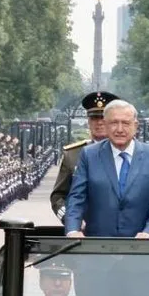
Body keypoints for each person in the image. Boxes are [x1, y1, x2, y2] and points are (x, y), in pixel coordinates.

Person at [64, 99, 149, 238]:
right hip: (97, 247)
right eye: (114, 123)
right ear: (106, 124)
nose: (120, 129)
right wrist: (72, 230)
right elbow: (76, 197)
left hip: (143, 249)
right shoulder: (89, 155)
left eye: (126, 123)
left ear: (136, 125)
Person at [51, 91, 117, 221]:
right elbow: (58, 196)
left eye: (103, 118)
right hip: (83, 230)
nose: (99, 123)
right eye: (94, 118)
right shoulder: (73, 154)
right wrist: (70, 219)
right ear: (88, 122)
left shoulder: (126, 152)